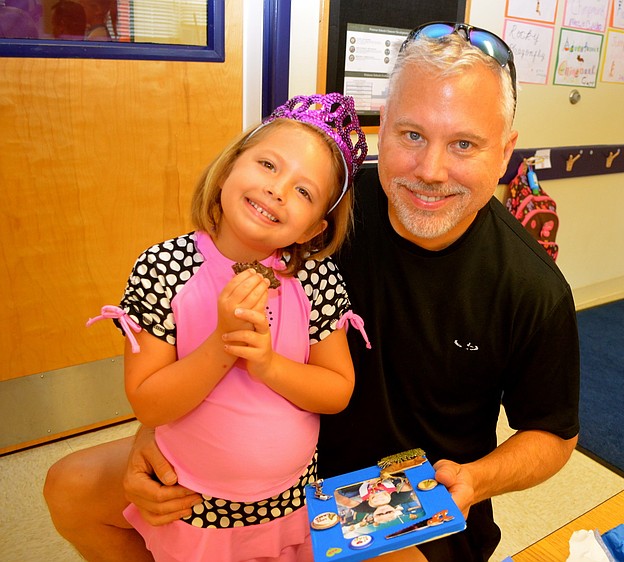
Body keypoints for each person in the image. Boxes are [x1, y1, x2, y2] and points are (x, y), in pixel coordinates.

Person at [43, 21, 580, 562]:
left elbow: (554, 435)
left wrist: (475, 479)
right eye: (412, 135)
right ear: (383, 127)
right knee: (71, 488)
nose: (431, 171)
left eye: (464, 144)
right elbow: (190, 313)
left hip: (397, 490)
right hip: (265, 459)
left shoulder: (531, 288)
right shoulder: (323, 207)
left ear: (505, 151)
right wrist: (153, 433)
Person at [77, 92, 369, 562]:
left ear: (313, 229)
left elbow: (336, 390)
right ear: (230, 166)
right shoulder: (165, 267)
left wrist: (267, 364)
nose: (277, 190)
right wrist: (222, 345)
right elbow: (149, 402)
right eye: (268, 165)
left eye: (304, 192)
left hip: (292, 503)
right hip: (193, 503)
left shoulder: (316, 279)